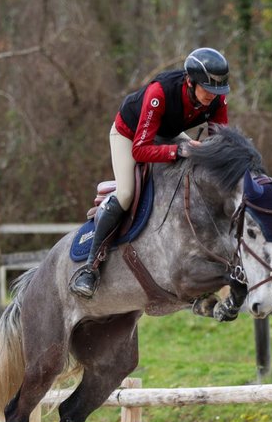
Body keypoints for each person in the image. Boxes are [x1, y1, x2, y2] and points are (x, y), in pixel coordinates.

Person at [69, 47, 231, 298]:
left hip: (167, 133)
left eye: (218, 91)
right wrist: (179, 152)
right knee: (125, 193)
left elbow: (220, 142)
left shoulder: (217, 98)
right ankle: (90, 268)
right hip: (130, 134)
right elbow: (141, 150)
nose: (213, 95)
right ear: (190, 81)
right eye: (207, 89)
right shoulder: (159, 93)